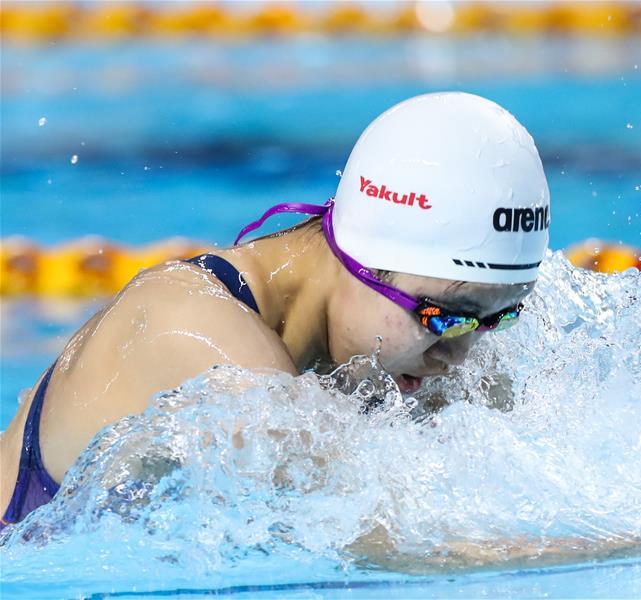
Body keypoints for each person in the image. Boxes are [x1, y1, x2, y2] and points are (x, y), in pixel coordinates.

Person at [0, 91, 551, 530]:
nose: (459, 356)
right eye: (443, 316)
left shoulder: (396, 354)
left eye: (494, 319)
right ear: (358, 260)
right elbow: (398, 543)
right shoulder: (196, 331)